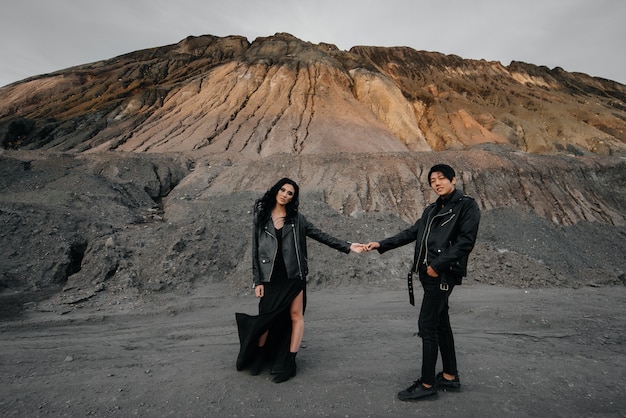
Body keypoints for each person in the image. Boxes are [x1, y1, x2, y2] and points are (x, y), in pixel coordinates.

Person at [364, 164, 480, 401]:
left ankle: (427, 383)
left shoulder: (466, 206)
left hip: (442, 274)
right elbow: (411, 232)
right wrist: (381, 244)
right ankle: (449, 376)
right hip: (428, 275)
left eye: (441, 178)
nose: (437, 183)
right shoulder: (432, 210)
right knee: (440, 324)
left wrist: (437, 266)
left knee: (427, 325)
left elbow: (465, 242)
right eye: (432, 180)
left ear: (453, 179)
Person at [236, 177, 364, 383]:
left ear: (293, 198)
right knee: (265, 319)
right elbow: (255, 249)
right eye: (283, 190)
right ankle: (259, 357)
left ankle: (289, 362)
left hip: (293, 276)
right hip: (270, 278)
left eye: (290, 193)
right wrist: (257, 281)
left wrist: (348, 246)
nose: (285, 195)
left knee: (296, 316)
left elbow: (321, 235)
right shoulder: (261, 218)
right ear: (276, 190)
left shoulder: (297, 220)